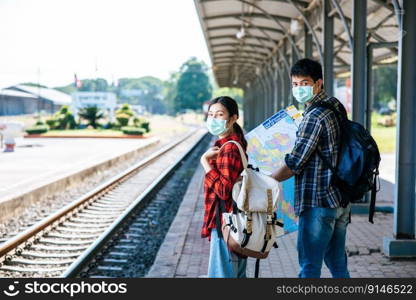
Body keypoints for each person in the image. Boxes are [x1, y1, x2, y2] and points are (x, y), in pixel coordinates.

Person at [271, 58, 351, 278]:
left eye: (304, 83)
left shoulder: (314, 116)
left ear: (318, 83)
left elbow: (295, 162)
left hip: (318, 202)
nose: (299, 89)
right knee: (337, 263)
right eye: (295, 84)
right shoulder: (335, 105)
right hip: (340, 200)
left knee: (309, 267)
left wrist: (268, 180)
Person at [200, 96, 248, 278]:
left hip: (226, 223)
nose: (213, 119)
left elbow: (223, 190)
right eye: (211, 114)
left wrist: (204, 162)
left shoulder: (228, 149)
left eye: (219, 115)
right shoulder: (231, 144)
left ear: (233, 118)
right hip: (235, 221)